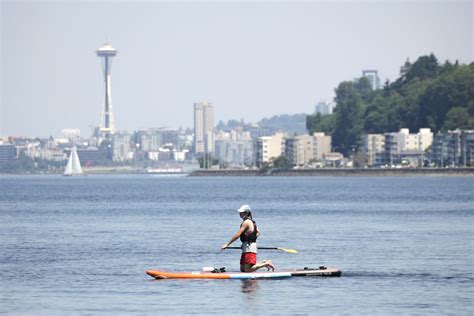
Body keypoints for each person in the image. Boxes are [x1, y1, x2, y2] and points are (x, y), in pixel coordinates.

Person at [221, 205, 275, 272]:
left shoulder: (246, 222)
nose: (240, 214)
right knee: (242, 269)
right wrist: (248, 241)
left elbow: (238, 234)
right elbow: (258, 232)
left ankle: (267, 263)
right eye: (240, 212)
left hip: (249, 248)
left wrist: (227, 244)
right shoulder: (251, 222)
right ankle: (264, 262)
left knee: (248, 270)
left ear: (246, 213)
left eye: (242, 212)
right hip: (247, 246)